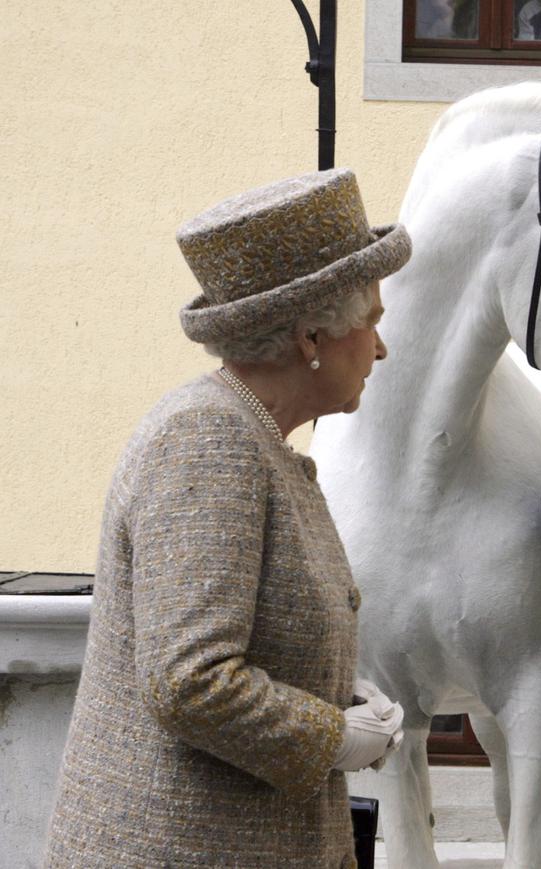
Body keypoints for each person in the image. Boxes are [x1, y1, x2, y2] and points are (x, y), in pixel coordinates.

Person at [45, 169, 411, 868]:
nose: (380, 348)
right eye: (372, 323)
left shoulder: (251, 438)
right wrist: (332, 734)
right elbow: (191, 679)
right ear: (312, 336)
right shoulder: (208, 441)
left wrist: (342, 694)